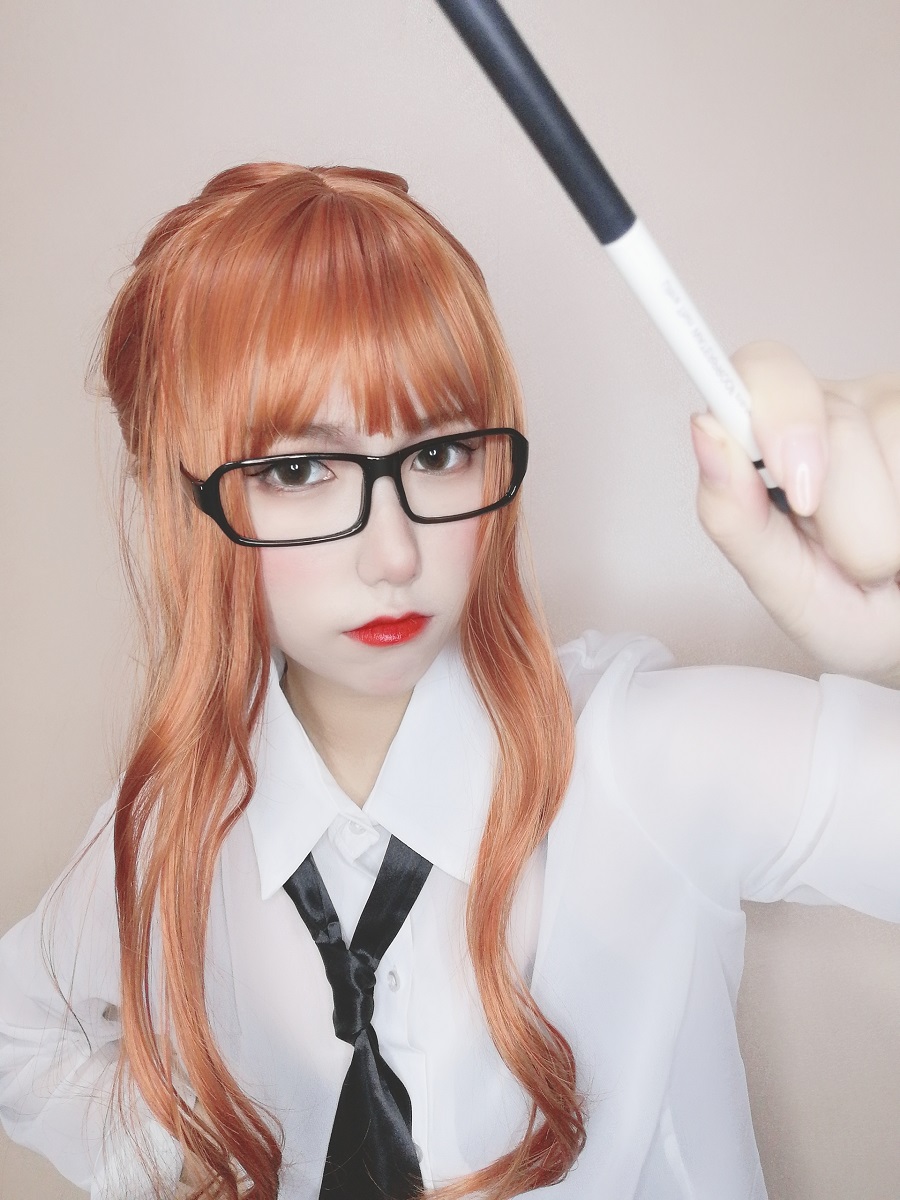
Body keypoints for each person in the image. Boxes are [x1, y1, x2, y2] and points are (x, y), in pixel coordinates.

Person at [0, 162, 898, 1200]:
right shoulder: (177, 829)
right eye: (299, 470)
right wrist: (192, 1167)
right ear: (184, 502)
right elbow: (20, 1036)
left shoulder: (649, 760)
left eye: (438, 454)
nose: (395, 553)